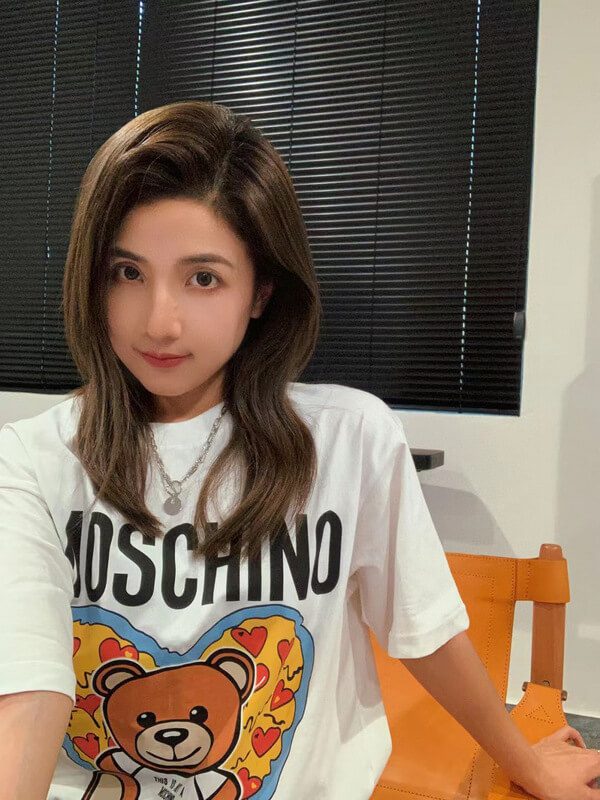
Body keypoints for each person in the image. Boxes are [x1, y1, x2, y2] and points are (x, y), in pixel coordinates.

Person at [0, 99, 598, 800]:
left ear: (260, 292)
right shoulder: (33, 459)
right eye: (127, 273)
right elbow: (28, 690)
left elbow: (424, 630)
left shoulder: (349, 439)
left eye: (203, 278)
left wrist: (529, 766)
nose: (159, 321)